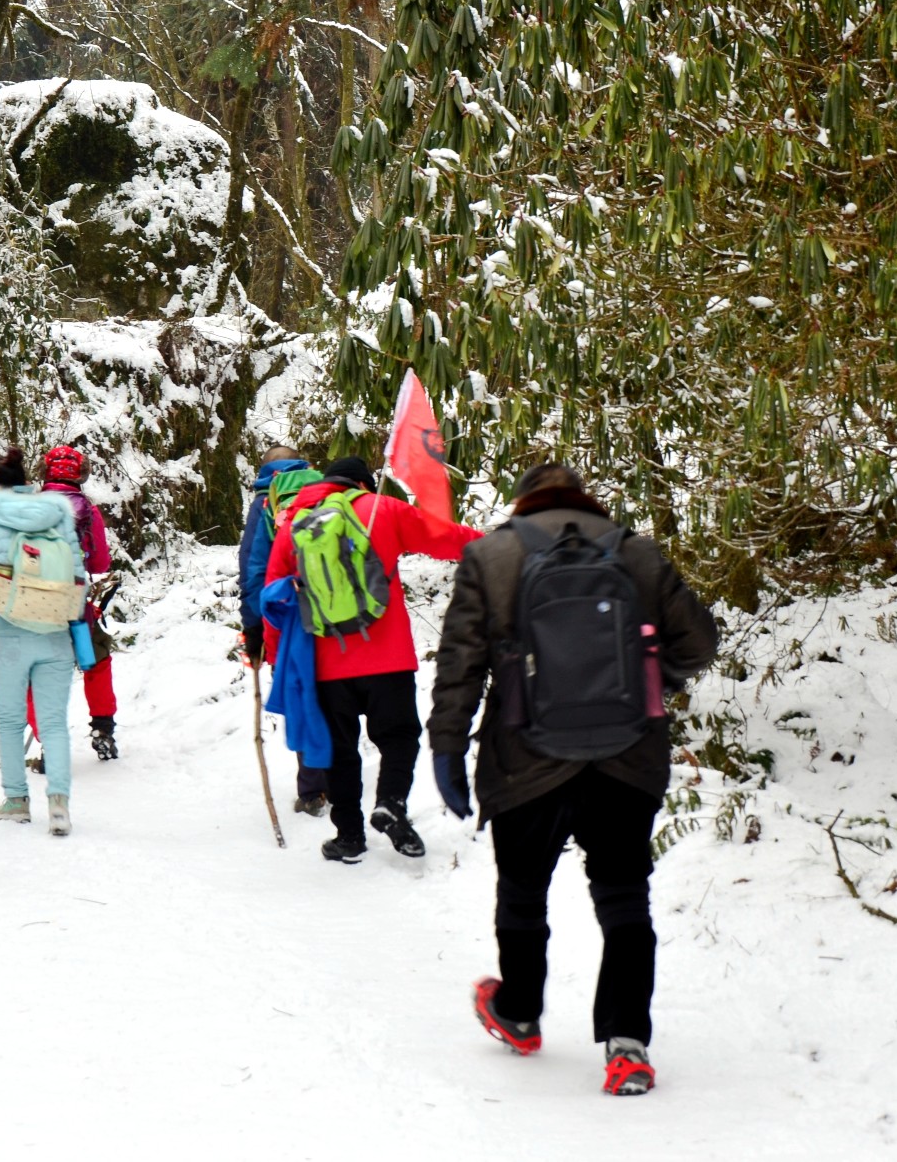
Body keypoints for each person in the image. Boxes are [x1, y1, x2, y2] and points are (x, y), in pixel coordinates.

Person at [428, 463, 719, 1096]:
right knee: (622, 897)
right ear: (586, 500)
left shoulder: (491, 556)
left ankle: (520, 1013)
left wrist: (446, 748)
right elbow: (699, 641)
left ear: (523, 504)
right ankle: (627, 1046)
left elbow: (461, 667)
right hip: (627, 757)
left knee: (523, 893)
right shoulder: (636, 552)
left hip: (524, 758)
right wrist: (651, 681)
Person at [263, 455, 482, 862]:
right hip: (389, 657)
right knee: (399, 738)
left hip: (326, 663)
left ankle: (349, 837)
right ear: (364, 483)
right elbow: (447, 538)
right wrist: (501, 544)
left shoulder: (294, 523)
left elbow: (274, 594)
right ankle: (391, 803)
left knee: (340, 751)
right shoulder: (382, 508)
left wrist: (277, 657)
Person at [0, 446, 84, 836]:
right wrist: (69, 619)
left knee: (11, 721)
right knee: (54, 723)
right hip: (55, 630)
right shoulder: (57, 514)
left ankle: (16, 800)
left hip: (8, 629)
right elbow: (78, 573)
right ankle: (59, 803)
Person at [239, 446, 328, 813]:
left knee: (300, 696)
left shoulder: (266, 501)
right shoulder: (326, 492)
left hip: (289, 616)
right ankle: (343, 777)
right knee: (335, 696)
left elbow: (253, 567)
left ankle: (312, 791)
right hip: (338, 612)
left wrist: (253, 627)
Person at [38, 445, 122, 761]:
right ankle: (103, 729)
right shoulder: (88, 511)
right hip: (75, 606)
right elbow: (100, 563)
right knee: (96, 661)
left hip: (33, 608)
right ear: (80, 475)